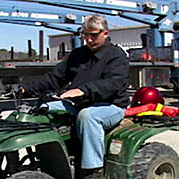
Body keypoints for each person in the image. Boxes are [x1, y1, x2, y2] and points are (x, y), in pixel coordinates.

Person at [22, 14, 130, 179]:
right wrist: (26, 89)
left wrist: (83, 90)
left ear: (105, 33)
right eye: (85, 35)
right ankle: (46, 159)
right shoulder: (77, 55)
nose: (89, 39)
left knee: (87, 117)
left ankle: (93, 170)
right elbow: (55, 78)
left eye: (93, 35)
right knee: (39, 110)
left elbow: (113, 84)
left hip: (110, 105)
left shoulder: (116, 56)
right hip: (80, 103)